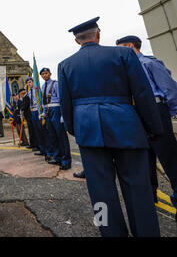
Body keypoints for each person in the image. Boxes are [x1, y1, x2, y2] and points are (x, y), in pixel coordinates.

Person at [59, 17, 162, 237]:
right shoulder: (123, 54)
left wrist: (75, 130)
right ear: (98, 34)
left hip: (88, 131)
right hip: (126, 126)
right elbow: (143, 93)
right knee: (138, 188)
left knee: (100, 193)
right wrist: (153, 127)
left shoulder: (65, 65)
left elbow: (65, 105)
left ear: (77, 42)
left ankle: (110, 233)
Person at [116, 35, 177, 209]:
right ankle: (150, 196)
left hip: (156, 110)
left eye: (120, 47)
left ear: (129, 46)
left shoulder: (149, 63)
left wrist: (167, 112)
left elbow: (170, 89)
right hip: (137, 114)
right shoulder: (126, 68)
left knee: (169, 156)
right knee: (144, 156)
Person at [40, 68, 71, 170]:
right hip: (48, 111)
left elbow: (61, 99)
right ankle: (57, 157)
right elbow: (44, 101)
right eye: (42, 74)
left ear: (50, 73)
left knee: (61, 135)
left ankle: (66, 160)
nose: (44, 75)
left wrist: (63, 114)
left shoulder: (55, 84)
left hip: (56, 109)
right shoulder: (43, 86)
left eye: (46, 73)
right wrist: (44, 112)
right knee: (52, 135)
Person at [26, 78, 47, 156]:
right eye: (28, 83)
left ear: (34, 82)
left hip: (38, 110)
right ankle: (41, 148)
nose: (29, 84)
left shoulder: (37, 90)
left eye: (30, 82)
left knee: (41, 130)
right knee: (36, 131)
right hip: (32, 112)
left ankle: (46, 149)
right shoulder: (29, 92)